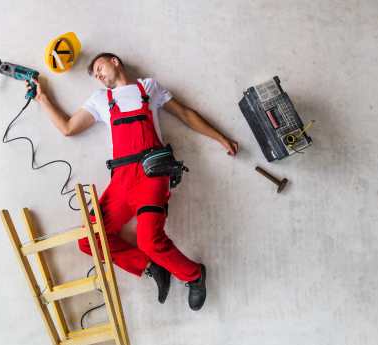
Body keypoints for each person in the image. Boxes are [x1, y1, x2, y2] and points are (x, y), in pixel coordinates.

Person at [26, 53, 238, 311]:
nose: (100, 75)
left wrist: (220, 137)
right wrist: (42, 98)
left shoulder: (147, 87)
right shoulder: (100, 100)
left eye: (100, 68)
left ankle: (194, 276)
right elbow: (68, 128)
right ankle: (151, 266)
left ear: (115, 61)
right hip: (121, 180)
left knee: (149, 240)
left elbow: (184, 113)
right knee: (89, 240)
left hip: (151, 174)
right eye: (96, 75)